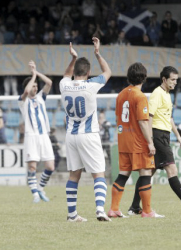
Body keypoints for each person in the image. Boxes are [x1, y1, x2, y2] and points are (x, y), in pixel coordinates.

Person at [127, 66, 181, 216]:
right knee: (172, 170)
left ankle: (134, 207)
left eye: (176, 80)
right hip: (157, 136)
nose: (175, 82)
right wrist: (150, 139)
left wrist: (178, 136)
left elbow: (168, 118)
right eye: (172, 80)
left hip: (163, 135)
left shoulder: (167, 95)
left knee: (148, 173)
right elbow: (149, 116)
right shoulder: (157, 93)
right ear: (164, 79)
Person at [60, 38, 111, 222]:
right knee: (98, 173)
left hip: (71, 136)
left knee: (74, 174)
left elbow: (66, 74)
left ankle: (72, 215)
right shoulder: (91, 85)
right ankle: (99, 210)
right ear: (88, 72)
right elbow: (107, 72)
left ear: (74, 70)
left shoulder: (63, 85)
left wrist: (72, 58)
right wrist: (97, 54)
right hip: (89, 134)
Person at [109, 62, 161, 219]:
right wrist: (150, 142)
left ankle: (114, 209)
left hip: (123, 140)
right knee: (145, 173)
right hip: (137, 142)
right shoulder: (140, 97)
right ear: (144, 78)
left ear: (128, 77)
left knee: (123, 173)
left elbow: (118, 118)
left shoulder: (120, 95)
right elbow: (143, 122)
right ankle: (147, 211)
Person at [18, 60, 55, 203]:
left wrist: (36, 72)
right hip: (31, 136)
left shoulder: (41, 98)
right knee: (32, 166)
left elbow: (49, 83)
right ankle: (34, 194)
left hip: (44, 135)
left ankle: (40, 188)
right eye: (33, 85)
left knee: (50, 166)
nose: (35, 88)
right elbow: (26, 92)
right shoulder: (22, 101)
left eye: (36, 86)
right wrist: (32, 76)